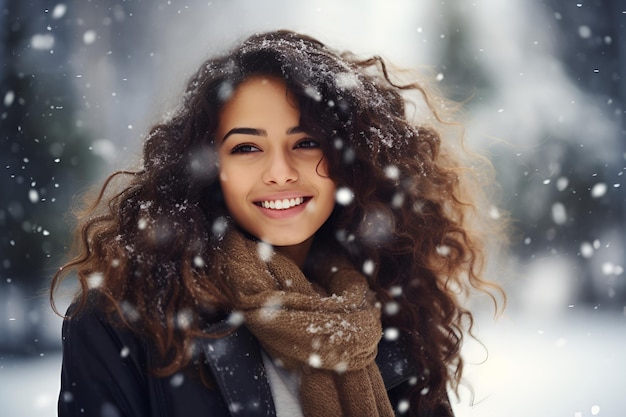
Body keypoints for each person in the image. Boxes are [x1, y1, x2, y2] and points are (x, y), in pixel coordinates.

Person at [50, 30, 506, 417]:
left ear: (352, 159)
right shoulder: (124, 320)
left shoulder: (393, 305)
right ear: (210, 167)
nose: (280, 172)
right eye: (247, 147)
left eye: (306, 142)